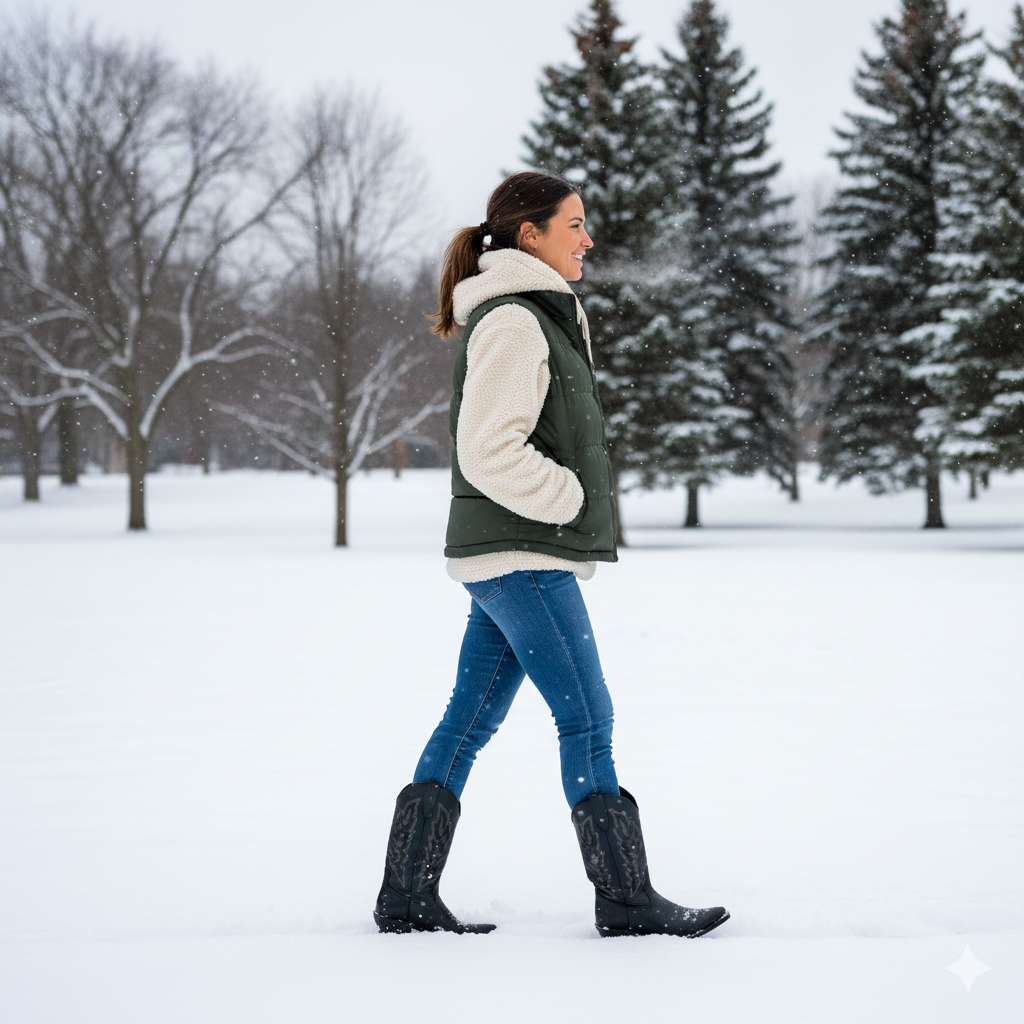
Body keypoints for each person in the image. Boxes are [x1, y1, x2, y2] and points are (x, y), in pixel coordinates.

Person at [373, 171, 729, 939]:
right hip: (523, 552)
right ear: (528, 235)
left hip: (509, 554)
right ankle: (627, 899)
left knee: (467, 722)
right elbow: (487, 449)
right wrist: (568, 500)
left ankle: (405, 895)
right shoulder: (514, 322)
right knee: (588, 718)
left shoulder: (536, 317)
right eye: (573, 224)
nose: (587, 239)